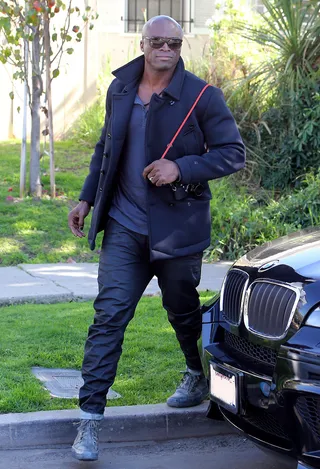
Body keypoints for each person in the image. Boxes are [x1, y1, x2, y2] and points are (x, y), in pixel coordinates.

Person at [68, 15, 245, 461]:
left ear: (181, 46)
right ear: (143, 43)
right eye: (158, 41)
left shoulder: (203, 96)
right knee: (108, 316)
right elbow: (104, 148)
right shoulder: (121, 89)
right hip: (125, 227)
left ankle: (194, 371)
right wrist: (87, 198)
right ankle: (89, 419)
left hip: (176, 229)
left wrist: (180, 168)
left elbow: (232, 153)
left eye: (175, 42)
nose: (166, 48)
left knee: (183, 311)